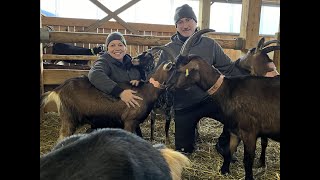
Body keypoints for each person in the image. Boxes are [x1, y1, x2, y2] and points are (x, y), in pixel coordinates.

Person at [157, 4, 250, 158]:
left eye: (188, 20)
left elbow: (227, 67)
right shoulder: (169, 49)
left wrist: (250, 79)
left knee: (235, 116)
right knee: (184, 150)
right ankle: (190, 133)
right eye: (180, 22)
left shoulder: (210, 45)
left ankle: (223, 144)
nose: (185, 25)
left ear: (195, 22)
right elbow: (160, 74)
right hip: (183, 104)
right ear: (176, 26)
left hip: (210, 98)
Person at [88, 32, 143, 108]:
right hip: (112, 107)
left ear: (125, 48)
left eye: (120, 45)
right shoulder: (104, 62)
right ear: (107, 49)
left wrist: (139, 81)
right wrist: (120, 92)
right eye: (112, 45)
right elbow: (95, 74)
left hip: (132, 109)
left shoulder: (131, 63)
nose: (117, 48)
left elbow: (145, 77)